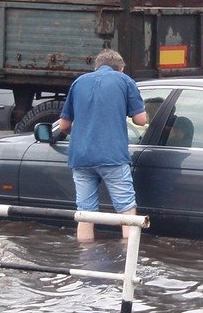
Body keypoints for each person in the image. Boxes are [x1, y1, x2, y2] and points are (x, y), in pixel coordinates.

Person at [54, 49, 148, 241]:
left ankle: (85, 256)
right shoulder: (125, 81)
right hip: (112, 156)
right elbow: (141, 120)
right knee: (127, 211)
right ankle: (127, 257)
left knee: (85, 213)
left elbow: (63, 126)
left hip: (80, 157)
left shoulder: (79, 82)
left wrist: (80, 133)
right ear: (121, 69)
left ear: (96, 67)